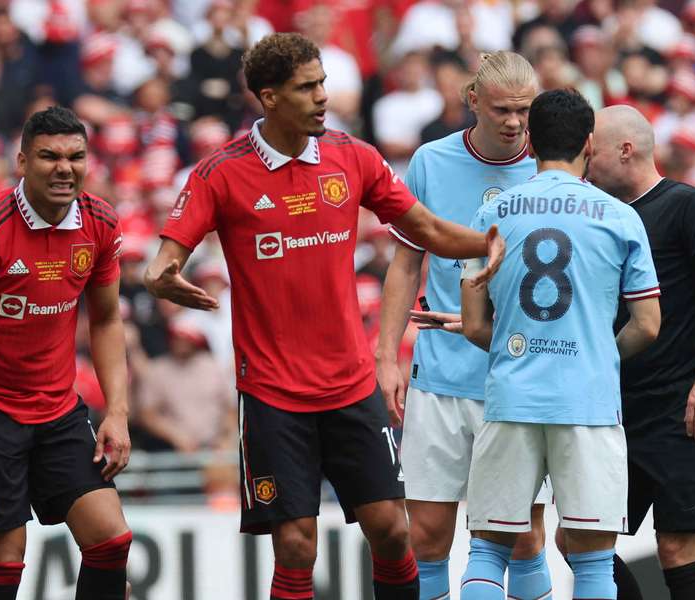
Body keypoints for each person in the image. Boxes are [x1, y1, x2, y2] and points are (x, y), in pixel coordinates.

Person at [144, 32, 503, 600]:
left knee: (390, 530)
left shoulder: (351, 156)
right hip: (271, 392)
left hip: (350, 385)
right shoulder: (221, 173)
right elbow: (161, 263)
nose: (322, 97)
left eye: (323, 84)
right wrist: (164, 278)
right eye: (306, 87)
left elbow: (428, 230)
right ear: (269, 97)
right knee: (295, 545)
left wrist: (491, 241)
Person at [460, 89, 662, 600]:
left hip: (511, 397)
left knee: (488, 552)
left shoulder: (493, 213)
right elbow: (648, 325)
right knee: (593, 563)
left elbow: (473, 324)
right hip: (587, 404)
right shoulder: (619, 216)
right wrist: (596, 353)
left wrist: (518, 349)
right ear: (589, 144)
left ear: (530, 141)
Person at [0, 106, 133, 600]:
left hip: (59, 410)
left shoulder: (101, 221)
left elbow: (105, 320)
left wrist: (119, 414)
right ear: (22, 161)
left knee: (111, 540)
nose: (64, 167)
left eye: (75, 156)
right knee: (3, 568)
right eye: (49, 156)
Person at [376, 51, 552, 600]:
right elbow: (406, 263)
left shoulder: (553, 166)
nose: (514, 122)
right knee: (426, 535)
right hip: (439, 375)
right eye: (502, 108)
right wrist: (386, 357)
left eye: (525, 110)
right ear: (472, 100)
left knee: (520, 536)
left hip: (519, 376)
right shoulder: (431, 161)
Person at [582, 104, 695, 600]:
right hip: (613, 410)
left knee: (677, 547)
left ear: (625, 150)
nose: (585, 162)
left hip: (680, 410)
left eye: (593, 152)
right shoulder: (600, 213)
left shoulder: (687, 206)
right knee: (581, 540)